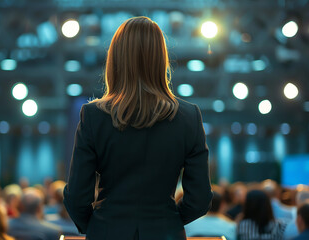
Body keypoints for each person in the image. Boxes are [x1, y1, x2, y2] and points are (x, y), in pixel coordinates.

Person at [63, 16, 213, 240]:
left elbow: (76, 197)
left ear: (115, 58)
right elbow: (200, 199)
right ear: (160, 58)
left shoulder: (93, 115)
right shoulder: (189, 116)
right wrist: (168, 221)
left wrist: (96, 225)